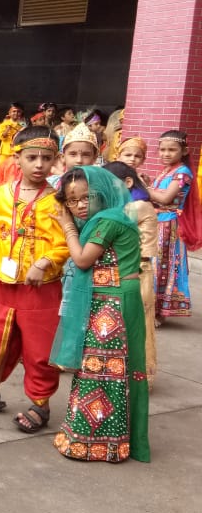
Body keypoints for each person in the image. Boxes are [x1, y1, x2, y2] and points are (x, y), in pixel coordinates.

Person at [0, 126, 68, 432]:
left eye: (46, 158)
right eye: (32, 157)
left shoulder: (57, 200)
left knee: (39, 350)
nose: (39, 165)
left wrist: (45, 262)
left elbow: (66, 241)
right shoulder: (4, 193)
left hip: (41, 288)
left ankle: (40, 404)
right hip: (4, 282)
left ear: (55, 161)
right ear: (17, 159)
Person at [50, 166, 149, 463]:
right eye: (72, 200)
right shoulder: (106, 218)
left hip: (114, 301)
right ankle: (99, 439)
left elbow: (82, 260)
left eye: (86, 197)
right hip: (109, 297)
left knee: (104, 368)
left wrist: (67, 227)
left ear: (102, 193)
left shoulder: (108, 220)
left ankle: (99, 442)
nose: (80, 205)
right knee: (101, 368)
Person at [105, 161, 159, 388]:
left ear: (127, 182)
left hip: (138, 271)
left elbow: (110, 225)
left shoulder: (138, 206)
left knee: (137, 325)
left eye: (109, 185)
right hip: (127, 269)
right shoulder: (127, 203)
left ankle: (140, 376)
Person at [147, 130, 202, 321]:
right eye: (162, 150)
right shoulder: (167, 171)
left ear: (184, 151)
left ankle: (158, 311)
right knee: (152, 264)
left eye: (171, 150)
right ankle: (150, 307)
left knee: (161, 266)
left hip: (168, 225)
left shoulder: (182, 173)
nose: (166, 154)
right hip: (157, 222)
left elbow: (165, 198)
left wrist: (141, 186)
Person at [47, 122, 98, 188]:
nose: (79, 160)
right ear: (62, 157)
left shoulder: (101, 185)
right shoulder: (51, 184)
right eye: (73, 154)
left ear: (94, 158)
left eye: (85, 155)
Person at [0, 103, 27, 185]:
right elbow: (1, 137)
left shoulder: (22, 124)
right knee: (2, 168)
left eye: (18, 111)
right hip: (5, 151)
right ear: (9, 113)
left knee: (15, 169)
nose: (16, 113)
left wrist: (21, 126)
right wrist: (8, 129)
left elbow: (25, 135)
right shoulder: (4, 124)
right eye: (14, 111)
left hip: (17, 150)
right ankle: (0, 186)